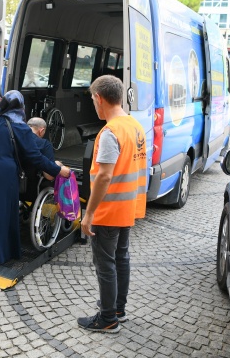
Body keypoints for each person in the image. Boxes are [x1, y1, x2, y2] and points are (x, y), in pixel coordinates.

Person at [0, 90, 71, 266]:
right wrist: (57, 170)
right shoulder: (20, 126)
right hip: (1, 173)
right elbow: (35, 157)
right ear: (20, 107)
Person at [77, 75, 147, 333]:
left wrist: (89, 213)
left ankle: (107, 319)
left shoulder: (109, 133)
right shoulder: (134, 126)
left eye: (93, 100)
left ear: (99, 98)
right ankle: (118, 308)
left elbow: (105, 175)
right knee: (121, 258)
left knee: (105, 263)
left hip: (108, 210)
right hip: (128, 206)